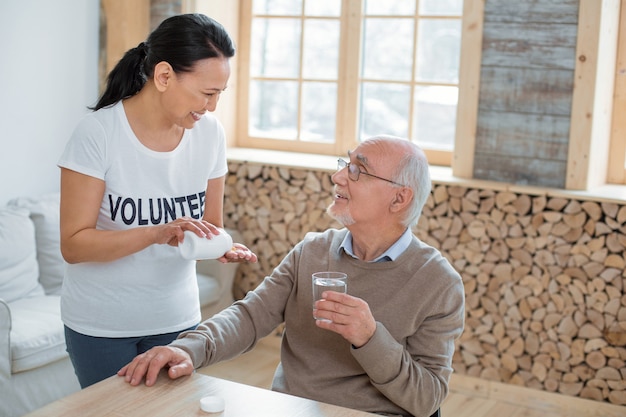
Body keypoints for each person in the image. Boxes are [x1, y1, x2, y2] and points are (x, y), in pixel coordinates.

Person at [119, 135, 465, 416]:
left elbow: (427, 399)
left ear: (399, 198)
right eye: (346, 163)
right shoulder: (312, 251)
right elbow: (250, 316)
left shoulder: (437, 282)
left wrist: (371, 338)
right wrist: (189, 350)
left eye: (359, 171)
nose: (339, 176)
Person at [57, 13, 257, 389]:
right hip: (101, 325)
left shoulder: (209, 134)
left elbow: (208, 226)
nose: (211, 107)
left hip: (177, 320)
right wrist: (155, 233)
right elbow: (73, 244)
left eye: (219, 95)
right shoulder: (98, 134)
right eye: (206, 93)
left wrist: (217, 246)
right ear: (164, 76)